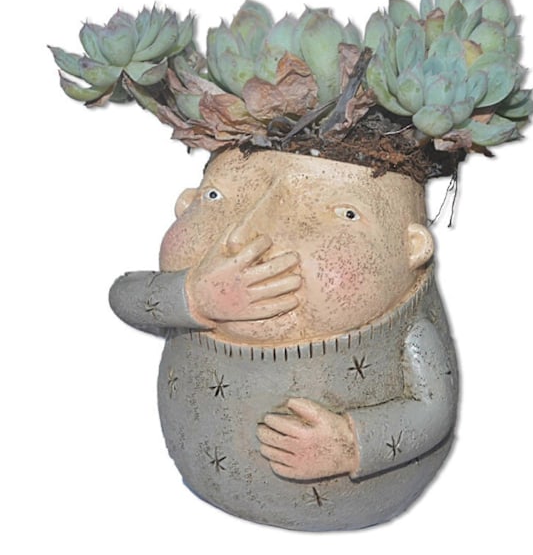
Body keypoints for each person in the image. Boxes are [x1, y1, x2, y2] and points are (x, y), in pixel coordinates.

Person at [109, 148, 458, 531]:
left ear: (412, 248)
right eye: (215, 196)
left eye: (345, 213)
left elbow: (432, 409)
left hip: (358, 509)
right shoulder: (199, 290)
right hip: (196, 503)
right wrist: (192, 297)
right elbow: (125, 297)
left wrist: (350, 444)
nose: (244, 237)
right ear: (185, 203)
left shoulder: (413, 330)